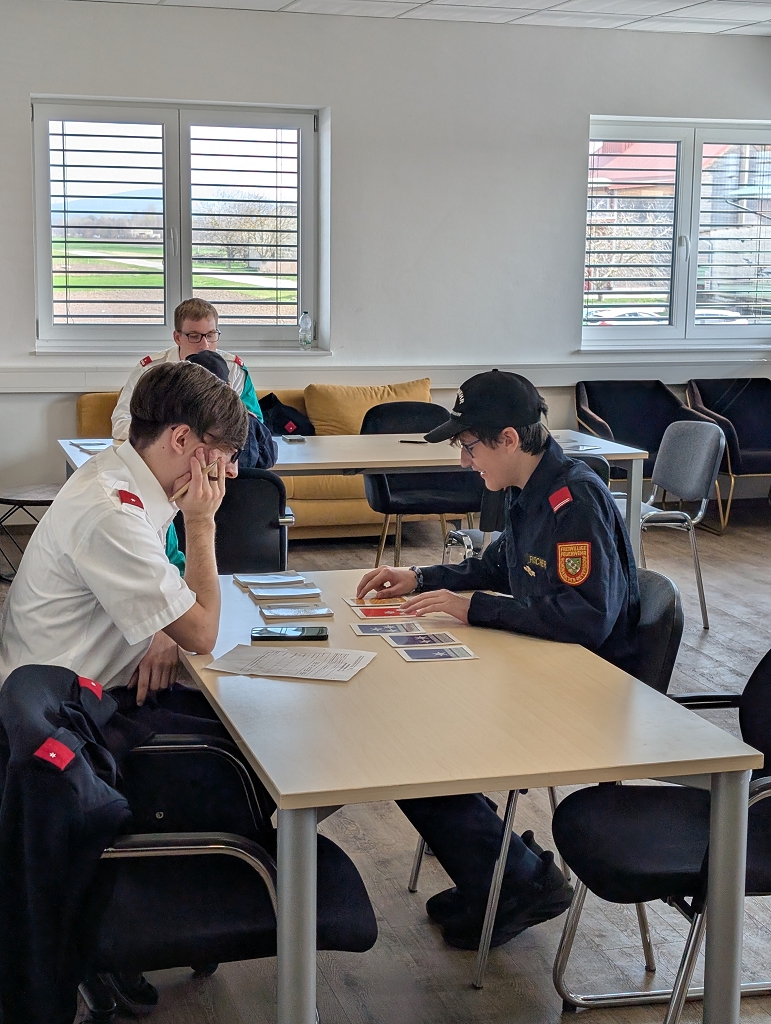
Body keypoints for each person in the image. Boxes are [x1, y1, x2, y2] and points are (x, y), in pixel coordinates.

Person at [0, 361, 254, 1015]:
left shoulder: (123, 477)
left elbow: (173, 614)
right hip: (73, 717)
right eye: (222, 456)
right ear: (181, 440)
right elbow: (203, 629)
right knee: (255, 751)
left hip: (79, 690)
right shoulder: (114, 510)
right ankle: (151, 918)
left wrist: (161, 629)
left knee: (246, 723)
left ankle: (143, 924)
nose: (227, 474)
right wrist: (203, 525)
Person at [356, 369, 640, 951]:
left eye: (469, 446)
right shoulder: (529, 487)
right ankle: (498, 875)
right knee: (404, 734)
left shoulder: (573, 499)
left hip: (582, 695)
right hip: (539, 670)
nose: (465, 461)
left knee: (411, 749)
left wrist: (473, 608)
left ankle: (518, 881)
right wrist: (421, 576)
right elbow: (500, 565)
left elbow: (586, 617)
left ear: (508, 439)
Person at [110, 297, 263, 441]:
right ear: (177, 337)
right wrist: (171, 436)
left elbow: (254, 425)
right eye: (194, 336)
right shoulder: (150, 369)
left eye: (211, 335)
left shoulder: (234, 369)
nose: (205, 345)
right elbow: (120, 423)